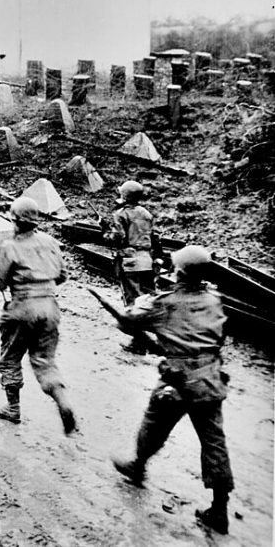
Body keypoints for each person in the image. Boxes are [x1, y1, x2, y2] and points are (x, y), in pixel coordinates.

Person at [111, 245, 233, 535]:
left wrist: (143, 303)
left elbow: (127, 320)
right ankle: (219, 509)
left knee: (154, 423)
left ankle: (137, 466)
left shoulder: (165, 302)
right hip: (210, 379)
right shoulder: (215, 299)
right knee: (214, 441)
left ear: (180, 272)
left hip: (177, 380)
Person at [0, 196, 77, 435]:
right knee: (45, 361)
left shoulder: (10, 245)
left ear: (14, 220)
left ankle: (13, 408)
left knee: (10, 357)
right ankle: (63, 401)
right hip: (50, 308)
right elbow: (62, 276)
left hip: (22, 308)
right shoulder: (51, 241)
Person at [101, 179, 160, 353]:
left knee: (133, 303)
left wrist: (105, 231)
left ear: (124, 195)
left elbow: (117, 238)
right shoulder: (146, 213)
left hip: (130, 262)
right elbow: (155, 238)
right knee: (148, 301)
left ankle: (140, 343)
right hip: (147, 261)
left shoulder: (120, 214)